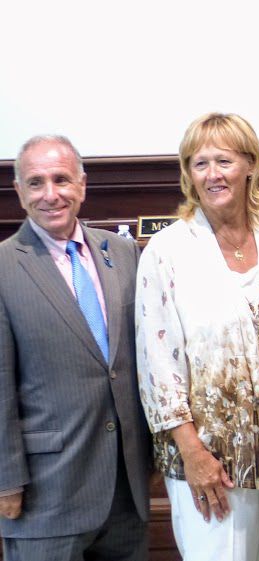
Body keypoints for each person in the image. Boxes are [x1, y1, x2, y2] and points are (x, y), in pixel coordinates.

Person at [136, 113, 259, 561]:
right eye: (199, 163)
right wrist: (193, 453)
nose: (212, 174)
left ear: (250, 165)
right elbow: (156, 366)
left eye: (222, 160)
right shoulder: (168, 251)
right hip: (211, 457)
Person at [0, 136, 151, 560]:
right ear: (19, 192)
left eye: (62, 179)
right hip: (45, 496)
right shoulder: (4, 267)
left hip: (126, 491)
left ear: (82, 185)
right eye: (36, 183)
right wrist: (6, 481)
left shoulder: (122, 253)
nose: (51, 194)